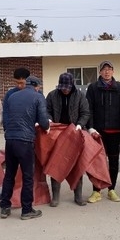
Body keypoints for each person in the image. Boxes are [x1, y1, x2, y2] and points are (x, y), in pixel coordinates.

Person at [0, 72, 50, 220]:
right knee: (28, 176)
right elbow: (44, 121)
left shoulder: (12, 96)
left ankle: (4, 207)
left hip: (10, 140)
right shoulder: (38, 96)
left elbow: (7, 117)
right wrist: (45, 126)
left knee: (9, 174)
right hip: (25, 141)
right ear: (36, 86)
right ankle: (26, 210)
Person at [85, 60, 120, 203]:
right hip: (97, 132)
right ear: (99, 72)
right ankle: (96, 190)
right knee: (97, 161)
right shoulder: (92, 88)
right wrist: (90, 127)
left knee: (113, 161)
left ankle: (112, 189)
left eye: (109, 69)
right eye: (104, 69)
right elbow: (88, 109)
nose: (106, 72)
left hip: (115, 131)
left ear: (113, 71)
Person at [45, 72, 90, 206]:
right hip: (57, 133)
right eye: (62, 87)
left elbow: (85, 112)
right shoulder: (52, 95)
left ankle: (78, 196)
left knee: (76, 165)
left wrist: (80, 125)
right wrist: (48, 120)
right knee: (56, 163)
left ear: (72, 86)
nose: (65, 90)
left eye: (67, 87)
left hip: (74, 133)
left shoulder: (80, 96)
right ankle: (56, 197)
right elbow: (46, 109)